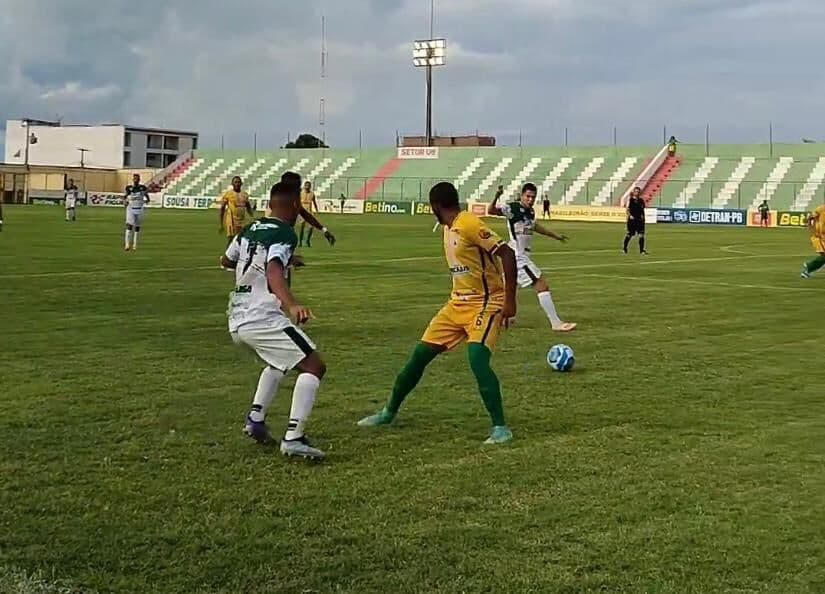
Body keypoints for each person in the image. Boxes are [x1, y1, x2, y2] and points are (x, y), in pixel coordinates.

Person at [357, 181, 518, 444]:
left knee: (477, 359)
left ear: (435, 206)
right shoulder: (448, 226)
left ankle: (501, 428)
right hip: (457, 304)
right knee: (419, 356)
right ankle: (388, 412)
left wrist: (510, 302)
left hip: (486, 302)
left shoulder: (468, 223)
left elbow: (508, 255)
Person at [220, 181, 328, 460]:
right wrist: (292, 304)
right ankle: (294, 437)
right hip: (262, 316)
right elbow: (272, 268)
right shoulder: (285, 232)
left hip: (237, 316)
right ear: (294, 205)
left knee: (278, 363)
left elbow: (227, 261)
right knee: (314, 365)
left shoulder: (249, 229)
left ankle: (255, 418)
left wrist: (287, 260)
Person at [488, 182, 576, 332]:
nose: (530, 200)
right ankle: (556, 323)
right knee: (541, 284)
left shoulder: (531, 212)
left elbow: (535, 227)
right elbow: (491, 211)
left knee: (508, 290)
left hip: (518, 255)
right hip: (518, 257)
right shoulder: (514, 208)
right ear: (522, 195)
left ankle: (500, 319)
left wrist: (555, 236)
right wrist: (497, 195)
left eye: (533, 197)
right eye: (528, 196)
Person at [219, 176, 254, 246]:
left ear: (241, 184)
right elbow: (222, 208)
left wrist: (252, 216)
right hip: (231, 220)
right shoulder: (228, 194)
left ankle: (237, 256)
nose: (237, 184)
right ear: (232, 184)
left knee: (240, 240)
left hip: (241, 221)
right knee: (231, 239)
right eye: (235, 182)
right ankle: (227, 256)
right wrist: (221, 224)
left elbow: (248, 207)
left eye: (238, 182)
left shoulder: (245, 194)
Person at [123, 173, 149, 251]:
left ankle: (135, 245)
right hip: (130, 208)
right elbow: (126, 196)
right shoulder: (129, 188)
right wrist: (125, 201)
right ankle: (127, 245)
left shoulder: (143, 188)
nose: (136, 180)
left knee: (137, 227)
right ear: (133, 179)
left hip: (140, 208)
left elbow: (146, 194)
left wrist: (147, 199)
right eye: (134, 179)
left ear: (139, 180)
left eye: (137, 179)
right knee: (129, 226)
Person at [801, 204, 825, 279]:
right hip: (820, 237)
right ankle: (809, 266)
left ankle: (807, 270)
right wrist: (810, 228)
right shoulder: (821, 208)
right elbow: (810, 217)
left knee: (823, 257)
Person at [623, 186, 647, 255]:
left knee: (641, 235)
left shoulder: (641, 200)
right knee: (629, 235)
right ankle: (625, 248)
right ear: (633, 192)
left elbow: (642, 210)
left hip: (640, 220)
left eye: (638, 192)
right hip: (632, 220)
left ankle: (641, 250)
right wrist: (630, 215)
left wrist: (643, 217)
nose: (637, 193)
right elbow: (627, 209)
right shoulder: (630, 200)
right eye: (636, 191)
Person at [298, 181, 319, 247]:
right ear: (304, 186)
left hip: (309, 212)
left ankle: (307, 241)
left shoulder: (312, 194)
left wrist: (317, 209)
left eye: (308, 185)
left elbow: (314, 202)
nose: (307, 187)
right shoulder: (301, 193)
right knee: (302, 227)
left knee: (311, 227)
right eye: (306, 185)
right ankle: (300, 242)